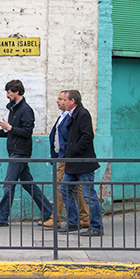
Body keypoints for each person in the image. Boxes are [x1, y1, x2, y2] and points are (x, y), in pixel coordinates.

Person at [0, 79, 53, 227]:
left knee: (9, 185)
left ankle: (0, 218)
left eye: (9, 92)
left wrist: (9, 128)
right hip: (16, 151)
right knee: (29, 184)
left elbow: (27, 132)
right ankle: (50, 212)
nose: (7, 95)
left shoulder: (25, 110)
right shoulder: (14, 109)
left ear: (17, 92)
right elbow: (14, 132)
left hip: (20, 153)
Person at [40, 90, 90, 229]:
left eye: (61, 99)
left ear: (70, 101)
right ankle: (84, 218)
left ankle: (55, 219)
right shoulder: (63, 116)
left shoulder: (72, 116)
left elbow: (77, 137)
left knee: (61, 187)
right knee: (74, 188)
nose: (58, 101)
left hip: (65, 157)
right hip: (61, 156)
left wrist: (69, 153)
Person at [58, 90, 104, 236]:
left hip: (83, 162)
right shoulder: (72, 115)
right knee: (65, 189)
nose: (62, 102)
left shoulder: (82, 114)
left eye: (65, 100)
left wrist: (74, 151)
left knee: (89, 194)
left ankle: (96, 227)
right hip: (73, 162)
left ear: (72, 101)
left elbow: (87, 136)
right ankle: (73, 222)